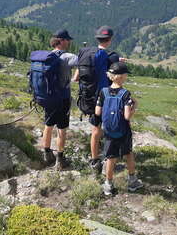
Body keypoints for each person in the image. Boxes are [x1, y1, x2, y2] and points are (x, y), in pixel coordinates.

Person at [75, 25, 122, 172]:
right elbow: (117, 79)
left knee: (96, 129)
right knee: (109, 129)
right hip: (105, 99)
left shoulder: (85, 53)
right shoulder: (111, 56)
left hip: (88, 97)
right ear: (110, 40)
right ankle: (109, 160)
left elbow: (76, 78)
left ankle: (94, 160)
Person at [95, 62, 143, 196]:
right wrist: (135, 106)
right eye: (126, 74)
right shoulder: (125, 94)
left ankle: (108, 185)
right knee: (128, 154)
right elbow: (127, 116)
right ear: (121, 77)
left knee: (110, 157)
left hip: (109, 131)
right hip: (123, 130)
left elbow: (97, 112)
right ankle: (132, 181)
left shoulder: (103, 92)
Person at [41, 29, 78, 170]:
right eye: (67, 40)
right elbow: (84, 62)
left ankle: (46, 153)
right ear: (61, 40)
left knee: (48, 125)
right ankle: (60, 159)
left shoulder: (47, 56)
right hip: (62, 98)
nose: (69, 42)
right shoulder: (67, 56)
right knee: (62, 128)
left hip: (48, 97)